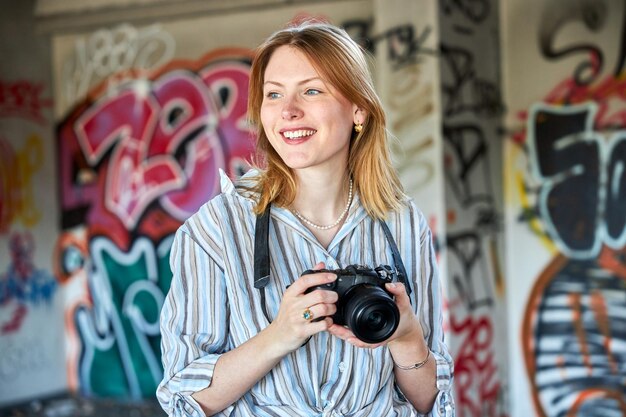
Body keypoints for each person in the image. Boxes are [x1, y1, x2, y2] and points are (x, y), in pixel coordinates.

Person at [157, 20, 454, 417]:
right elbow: (183, 401)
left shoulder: (401, 223)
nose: (289, 112)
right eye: (274, 95)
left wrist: (406, 338)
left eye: (311, 90)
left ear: (358, 109)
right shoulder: (216, 230)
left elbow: (431, 404)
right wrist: (280, 334)